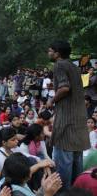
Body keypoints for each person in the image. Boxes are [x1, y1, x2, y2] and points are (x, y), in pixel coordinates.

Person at [47, 41, 90, 189]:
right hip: (79, 122)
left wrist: (51, 100)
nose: (49, 53)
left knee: (63, 168)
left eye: (50, 51)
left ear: (57, 53)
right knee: (77, 165)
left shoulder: (59, 65)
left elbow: (64, 88)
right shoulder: (74, 67)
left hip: (66, 123)